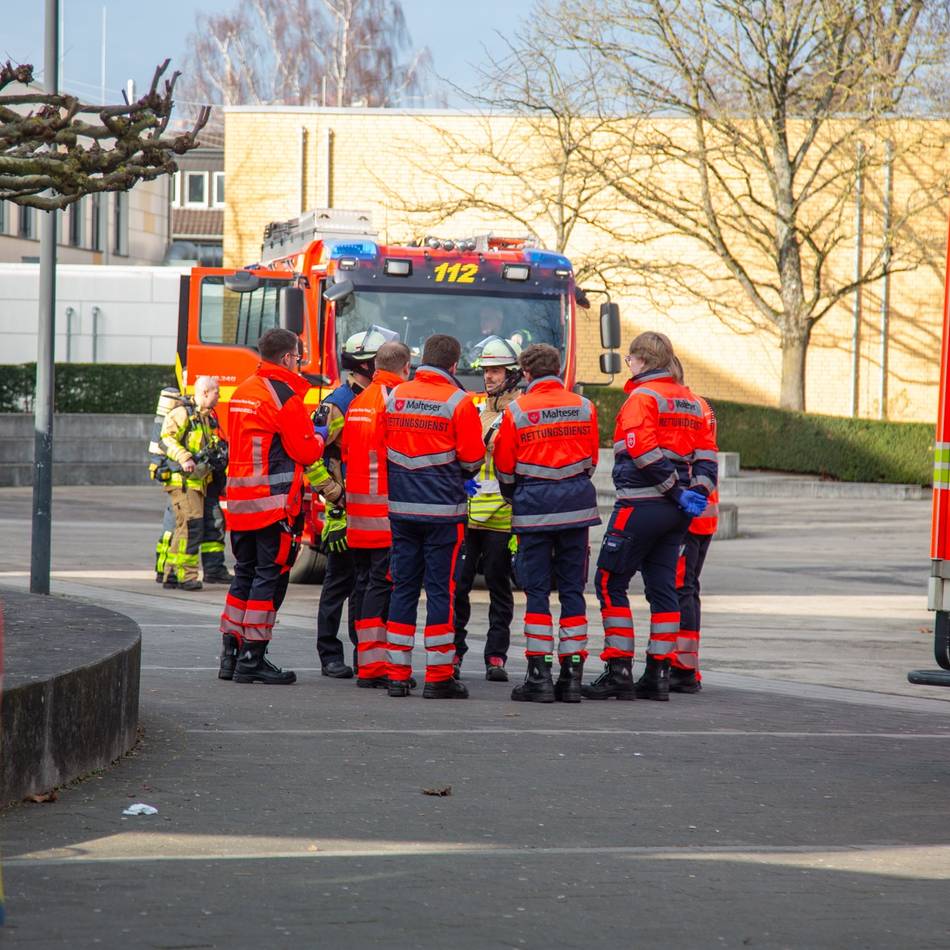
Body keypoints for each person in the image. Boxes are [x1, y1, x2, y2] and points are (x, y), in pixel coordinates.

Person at [581, 332, 718, 703]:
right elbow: (707, 455)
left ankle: (619, 670)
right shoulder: (691, 402)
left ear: (640, 360)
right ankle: (658, 673)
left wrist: (674, 489)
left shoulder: (642, 398)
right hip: (678, 515)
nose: (629, 365)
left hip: (641, 506)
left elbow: (642, 451)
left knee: (609, 581)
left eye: (629, 360)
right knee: (664, 590)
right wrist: (696, 493)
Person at [217, 328, 327, 685]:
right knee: (268, 580)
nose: (300, 363)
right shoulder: (284, 397)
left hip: (240, 503)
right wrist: (321, 435)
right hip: (273, 507)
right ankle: (253, 658)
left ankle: (230, 657)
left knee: (243, 577)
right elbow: (305, 451)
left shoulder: (243, 390)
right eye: (298, 357)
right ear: (286, 358)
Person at [493, 343, 601, 704]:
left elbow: (505, 467)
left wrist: (516, 494)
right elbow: (590, 462)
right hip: (576, 511)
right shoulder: (584, 407)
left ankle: (538, 676)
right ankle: (571, 676)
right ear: (558, 368)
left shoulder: (517, 410)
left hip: (534, 510)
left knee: (537, 592)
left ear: (525, 373)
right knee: (572, 592)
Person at [383, 334, 485, 699]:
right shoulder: (459, 402)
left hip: (402, 510)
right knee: (442, 590)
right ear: (454, 365)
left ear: (420, 360)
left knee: (403, 588)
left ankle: (396, 673)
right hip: (444, 513)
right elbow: (472, 461)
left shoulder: (396, 396)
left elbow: (386, 445)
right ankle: (439, 676)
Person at [309, 328, 395, 678]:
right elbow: (310, 457)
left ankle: (367, 655)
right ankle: (330, 653)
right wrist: (334, 494)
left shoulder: (378, 399)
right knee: (338, 584)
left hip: (369, 512)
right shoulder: (337, 404)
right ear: (369, 364)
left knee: (366, 586)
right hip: (344, 513)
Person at [341, 340, 412, 687]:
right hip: (385, 513)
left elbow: (346, 452)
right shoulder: (395, 400)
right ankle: (373, 667)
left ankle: (364, 661)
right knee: (381, 589)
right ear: (406, 366)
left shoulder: (358, 402)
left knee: (364, 585)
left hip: (357, 512)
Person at [453, 336, 521, 682]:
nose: (488, 376)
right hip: (468, 514)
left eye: (495, 370)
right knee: (458, 587)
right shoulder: (477, 408)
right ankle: (455, 653)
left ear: (511, 374)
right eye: (486, 370)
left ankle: (496, 657)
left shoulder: (518, 411)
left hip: (501, 517)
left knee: (499, 589)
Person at [669, 357, 719, 694]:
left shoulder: (681, 408)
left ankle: (683, 669)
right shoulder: (701, 405)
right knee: (689, 587)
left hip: (689, 511)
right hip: (706, 512)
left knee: (680, 588)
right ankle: (686, 664)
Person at [158, 375, 228, 591]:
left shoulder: (204, 418)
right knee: (192, 527)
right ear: (205, 392)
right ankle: (186, 576)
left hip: (198, 483)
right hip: (184, 482)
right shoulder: (182, 413)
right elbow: (165, 439)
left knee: (184, 528)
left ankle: (171, 573)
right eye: (217, 392)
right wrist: (185, 457)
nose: (219, 396)